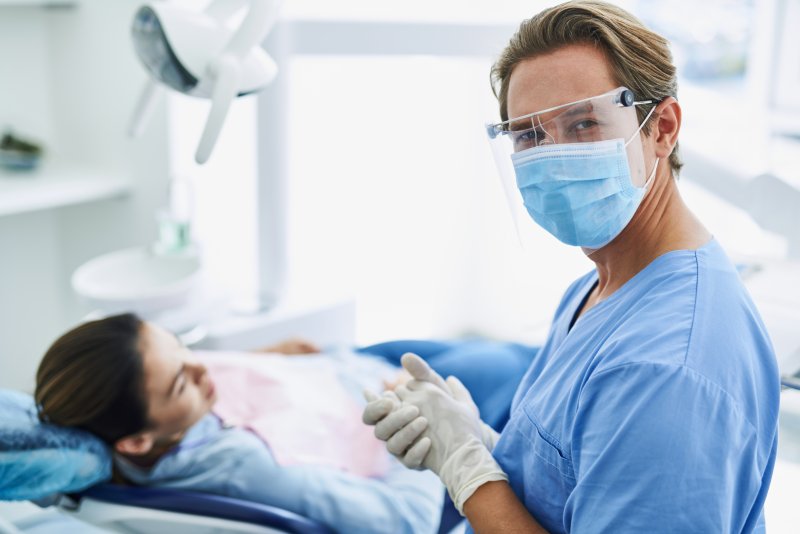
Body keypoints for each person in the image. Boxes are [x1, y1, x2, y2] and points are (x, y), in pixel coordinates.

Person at [362, 2, 780, 533]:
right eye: (529, 136)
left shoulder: (667, 371)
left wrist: (466, 469)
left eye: (583, 123)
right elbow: (566, 481)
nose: (553, 156)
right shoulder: (601, 284)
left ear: (663, 127)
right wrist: (476, 442)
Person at [34, 313, 536, 534]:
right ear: (138, 439)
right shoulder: (239, 467)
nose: (203, 367)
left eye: (181, 348)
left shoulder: (161, 409)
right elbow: (404, 523)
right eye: (181, 382)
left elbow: (183, 372)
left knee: (510, 357)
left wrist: (266, 362)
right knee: (524, 367)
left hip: (354, 365)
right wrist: (422, 433)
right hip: (407, 412)